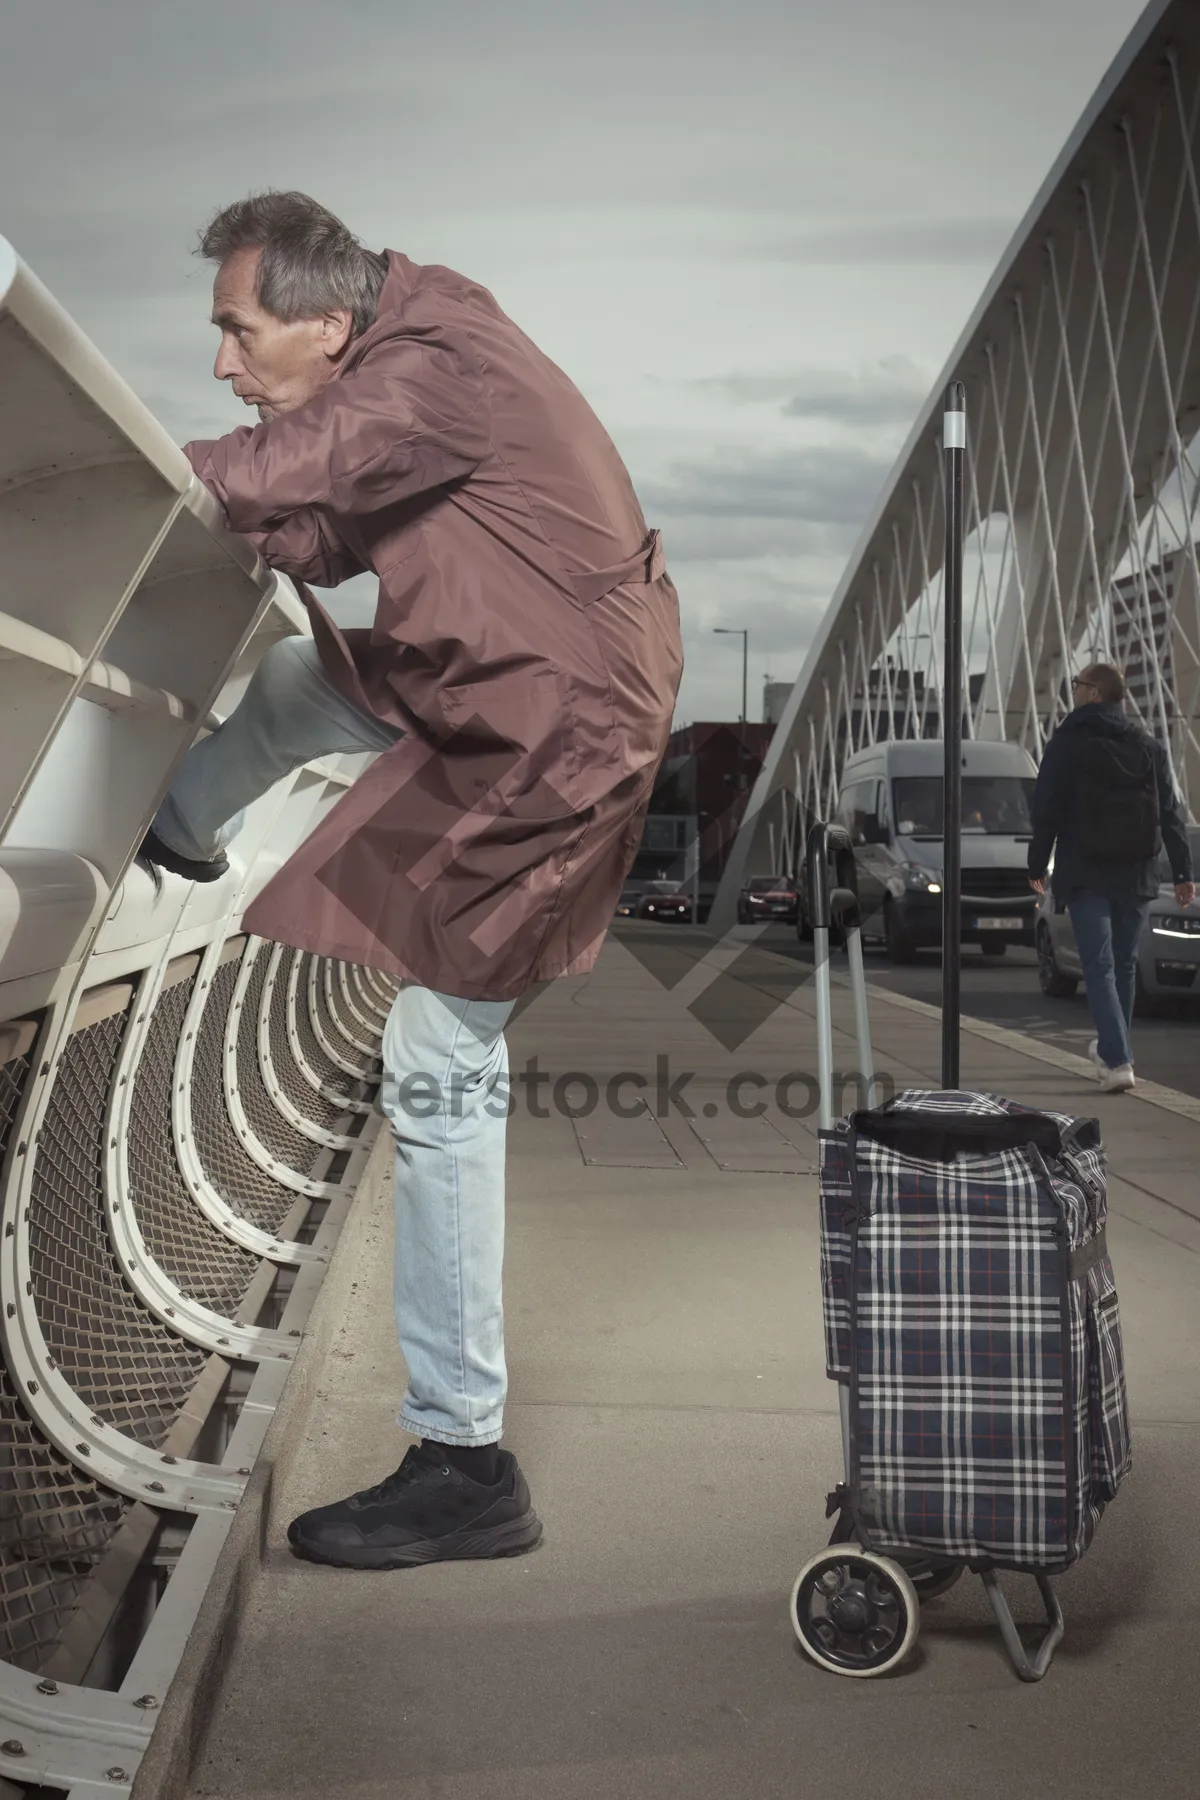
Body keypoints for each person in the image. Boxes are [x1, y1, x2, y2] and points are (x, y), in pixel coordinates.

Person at [140, 191, 683, 1568]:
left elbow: (291, 465)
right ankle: (180, 830)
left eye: (236, 330)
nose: (223, 361)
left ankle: (464, 1458)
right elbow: (324, 519)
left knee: (441, 1062)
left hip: (558, 732)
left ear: (328, 322)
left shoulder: (439, 368)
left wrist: (172, 474)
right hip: (478, 686)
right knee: (294, 676)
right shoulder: (420, 346)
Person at [1028, 661, 1194, 1093]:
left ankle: (1118, 1059)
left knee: (1098, 965)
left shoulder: (1065, 743)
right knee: (1123, 965)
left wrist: (1036, 866)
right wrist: (1182, 873)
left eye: (1079, 684)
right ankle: (1114, 1052)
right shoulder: (1148, 746)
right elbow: (1170, 814)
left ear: (1096, 693)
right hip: (1137, 872)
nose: (1075, 689)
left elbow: (1046, 808)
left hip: (1085, 870)